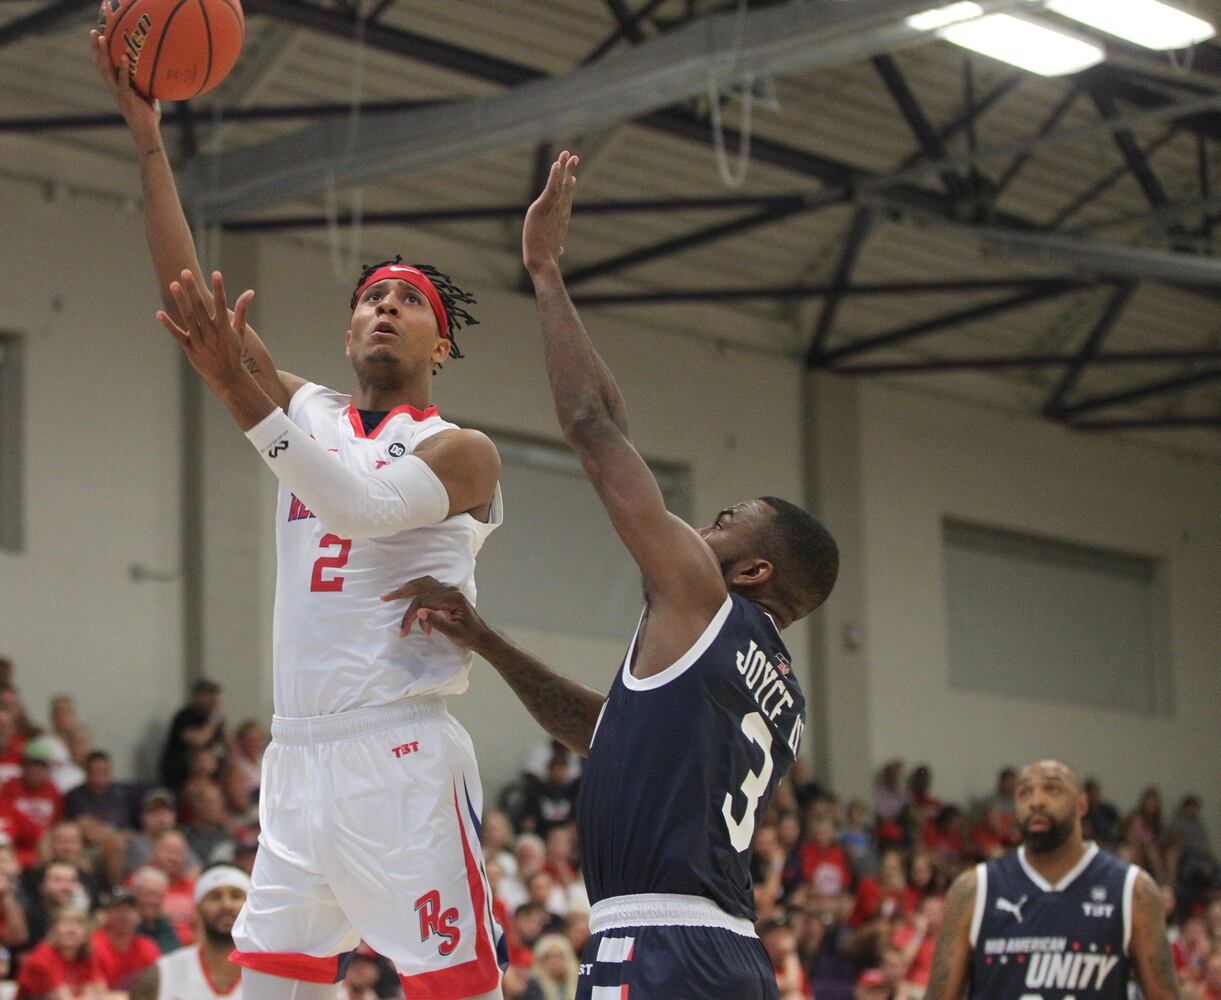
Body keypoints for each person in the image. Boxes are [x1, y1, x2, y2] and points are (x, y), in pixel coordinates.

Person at [92, 26, 505, 1000]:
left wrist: (240, 397)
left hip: (400, 749)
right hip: (298, 756)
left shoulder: (463, 449)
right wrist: (148, 136)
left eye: (408, 300)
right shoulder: (307, 405)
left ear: (439, 344)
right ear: (349, 325)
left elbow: (358, 508)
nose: (385, 308)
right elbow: (186, 300)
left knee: (460, 989)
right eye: (371, 297)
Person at [382, 151, 838, 1000]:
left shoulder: (704, 602)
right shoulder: (777, 687)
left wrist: (545, 274)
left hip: (658, 944)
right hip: (734, 956)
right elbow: (609, 733)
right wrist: (487, 643)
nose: (697, 529)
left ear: (754, 568)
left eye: (722, 522)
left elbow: (596, 428)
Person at [924, 759, 1178, 1000]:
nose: (1036, 801)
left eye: (1052, 789)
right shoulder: (974, 889)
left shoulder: (1132, 889)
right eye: (1024, 793)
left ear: (1081, 804)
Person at [128, 865, 249, 1000]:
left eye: (236, 896)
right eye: (215, 897)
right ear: (197, 909)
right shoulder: (163, 973)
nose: (226, 904)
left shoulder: (268, 974)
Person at [159, 682, 226, 794]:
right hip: (180, 766)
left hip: (206, 766)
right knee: (204, 760)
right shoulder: (184, 716)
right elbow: (198, 741)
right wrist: (213, 720)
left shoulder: (212, 719)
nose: (212, 701)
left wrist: (223, 725)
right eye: (208, 696)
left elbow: (232, 749)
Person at [91, 889, 160, 991]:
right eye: (118, 909)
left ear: (139, 916)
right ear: (106, 915)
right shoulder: (94, 945)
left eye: (130, 909)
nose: (124, 915)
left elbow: (158, 987)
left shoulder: (148, 947)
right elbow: (100, 993)